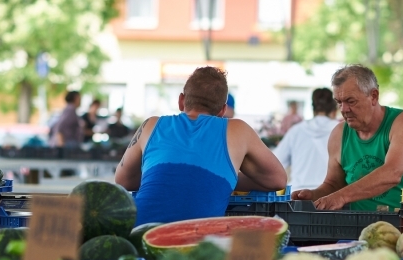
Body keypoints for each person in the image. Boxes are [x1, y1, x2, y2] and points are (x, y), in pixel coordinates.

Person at [115, 66, 287, 225]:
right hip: (198, 243)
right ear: (222, 110)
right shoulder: (238, 130)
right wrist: (227, 178)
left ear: (181, 101)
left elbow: (123, 180)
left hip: (139, 235)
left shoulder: (151, 125)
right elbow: (277, 180)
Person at [291, 64, 403, 211]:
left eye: (351, 101)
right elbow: (333, 185)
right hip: (362, 228)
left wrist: (341, 197)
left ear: (373, 96)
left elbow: (392, 173)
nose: (343, 110)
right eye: (339, 102)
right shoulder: (338, 134)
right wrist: (314, 195)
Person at [273, 88, 339, 191]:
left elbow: (274, 163)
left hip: (298, 195)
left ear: (313, 110)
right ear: (334, 111)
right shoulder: (342, 131)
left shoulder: (296, 130)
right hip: (330, 197)